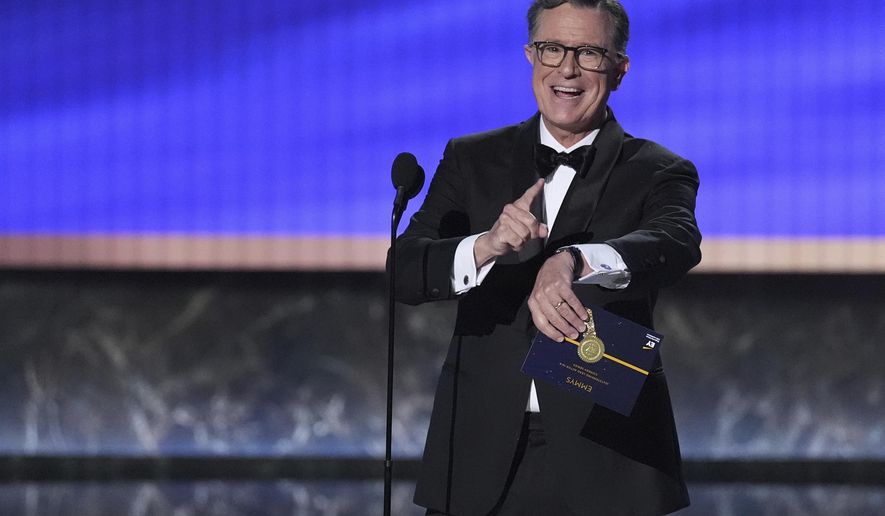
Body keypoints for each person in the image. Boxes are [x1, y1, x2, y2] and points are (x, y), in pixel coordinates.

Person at [393, 1, 701, 514]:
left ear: (620, 70)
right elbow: (403, 271)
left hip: (606, 454)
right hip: (478, 453)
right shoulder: (472, 158)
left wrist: (577, 260)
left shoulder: (658, 169)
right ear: (530, 56)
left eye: (589, 53)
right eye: (552, 48)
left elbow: (676, 242)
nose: (567, 68)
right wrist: (484, 246)